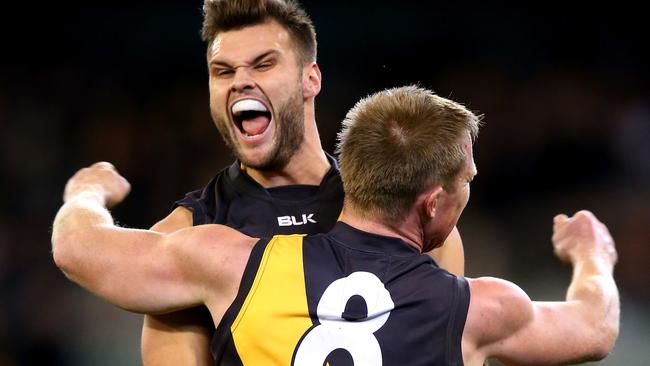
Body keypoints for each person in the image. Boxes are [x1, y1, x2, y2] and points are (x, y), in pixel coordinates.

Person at [52, 85, 619, 365]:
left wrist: (86, 192)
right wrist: (593, 254)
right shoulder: (479, 309)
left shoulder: (230, 261)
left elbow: (77, 248)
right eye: (466, 180)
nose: (468, 192)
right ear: (431, 203)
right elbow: (595, 327)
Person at [142, 1, 465, 364]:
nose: (240, 82)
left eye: (264, 64)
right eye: (222, 71)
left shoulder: (405, 210)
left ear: (311, 78)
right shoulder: (183, 238)